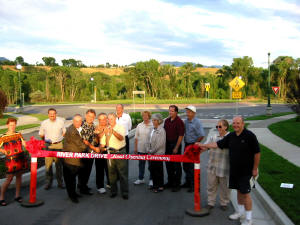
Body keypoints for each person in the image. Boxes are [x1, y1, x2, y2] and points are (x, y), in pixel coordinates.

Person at [197, 116, 260, 225]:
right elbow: (217, 144)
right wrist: (203, 145)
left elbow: (257, 153)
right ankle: (240, 213)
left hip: (246, 171)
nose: (235, 125)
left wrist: (254, 169)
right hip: (234, 170)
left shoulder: (249, 136)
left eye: (238, 123)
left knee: (245, 194)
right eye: (234, 123)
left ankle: (249, 219)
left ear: (243, 124)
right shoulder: (231, 136)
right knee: (239, 192)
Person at [63, 114, 93, 203]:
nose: (78, 123)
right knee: (70, 179)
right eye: (76, 121)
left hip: (77, 158)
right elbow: (81, 144)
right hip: (70, 160)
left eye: (80, 121)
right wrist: (93, 150)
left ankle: (75, 193)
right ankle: (72, 196)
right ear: (73, 121)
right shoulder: (72, 131)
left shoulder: (79, 128)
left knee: (74, 178)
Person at [0, 118, 28, 206]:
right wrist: (3, 151)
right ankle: (1, 197)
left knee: (19, 177)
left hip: (20, 158)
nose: (13, 127)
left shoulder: (18, 134)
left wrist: (32, 145)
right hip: (10, 161)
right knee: (9, 179)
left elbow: (24, 144)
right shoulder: (3, 137)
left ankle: (17, 195)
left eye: (14, 125)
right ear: (7, 125)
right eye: (11, 125)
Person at [204, 119, 231, 211]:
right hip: (212, 166)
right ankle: (210, 202)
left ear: (225, 127)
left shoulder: (230, 137)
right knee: (211, 186)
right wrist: (199, 147)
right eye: (217, 126)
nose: (218, 128)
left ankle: (224, 203)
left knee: (225, 187)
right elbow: (206, 145)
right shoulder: (213, 136)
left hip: (224, 167)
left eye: (220, 126)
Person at [39, 108, 65, 190]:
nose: (52, 115)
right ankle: (48, 183)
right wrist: (46, 142)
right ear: (48, 114)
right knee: (48, 165)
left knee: (59, 165)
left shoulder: (61, 121)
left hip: (58, 145)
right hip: (48, 146)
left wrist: (60, 139)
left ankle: (60, 183)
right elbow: (41, 134)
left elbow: (64, 132)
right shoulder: (44, 123)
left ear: (56, 114)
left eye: (53, 113)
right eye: (50, 114)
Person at [106, 113, 128, 199]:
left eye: (111, 119)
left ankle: (125, 192)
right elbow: (104, 142)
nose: (109, 120)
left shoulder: (120, 127)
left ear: (115, 119)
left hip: (120, 152)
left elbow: (121, 138)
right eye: (108, 119)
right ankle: (113, 191)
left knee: (122, 173)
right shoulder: (107, 128)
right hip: (110, 153)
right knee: (112, 174)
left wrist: (113, 131)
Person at [182, 105, 205, 192]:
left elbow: (202, 134)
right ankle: (187, 182)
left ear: (193, 113)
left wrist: (195, 144)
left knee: (192, 166)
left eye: (189, 112)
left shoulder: (197, 122)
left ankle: (194, 185)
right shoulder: (186, 121)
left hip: (193, 145)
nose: (187, 113)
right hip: (187, 144)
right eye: (187, 112)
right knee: (186, 165)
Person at [164, 105, 184, 192]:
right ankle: (170, 182)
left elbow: (181, 135)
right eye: (169, 111)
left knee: (176, 166)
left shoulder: (179, 121)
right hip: (167, 145)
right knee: (168, 165)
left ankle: (177, 184)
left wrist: (176, 147)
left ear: (176, 112)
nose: (170, 112)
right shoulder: (167, 121)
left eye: (172, 111)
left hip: (176, 145)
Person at [78, 109, 97, 195]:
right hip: (84, 152)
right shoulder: (82, 126)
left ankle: (83, 185)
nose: (90, 118)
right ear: (85, 116)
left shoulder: (93, 125)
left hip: (91, 152)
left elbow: (94, 138)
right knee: (84, 171)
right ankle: (82, 188)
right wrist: (94, 147)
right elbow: (84, 141)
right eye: (89, 116)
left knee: (87, 171)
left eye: (92, 117)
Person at [133, 111, 153, 186]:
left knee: (151, 165)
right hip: (140, 148)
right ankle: (141, 179)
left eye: (146, 115)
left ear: (149, 116)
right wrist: (135, 148)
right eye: (143, 116)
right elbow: (136, 137)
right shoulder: (139, 125)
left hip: (150, 149)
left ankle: (151, 179)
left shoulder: (152, 124)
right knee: (141, 164)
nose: (144, 117)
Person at [148, 113, 166, 193]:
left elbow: (160, 144)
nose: (153, 121)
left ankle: (160, 186)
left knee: (158, 170)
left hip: (158, 153)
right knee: (152, 170)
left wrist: (152, 151)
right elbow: (148, 140)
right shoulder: (152, 129)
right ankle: (155, 185)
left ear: (159, 121)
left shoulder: (161, 130)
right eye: (152, 120)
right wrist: (148, 149)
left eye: (155, 120)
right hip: (151, 154)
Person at [94, 113, 110, 194]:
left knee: (109, 167)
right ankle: (100, 186)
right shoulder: (97, 127)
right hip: (99, 150)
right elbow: (97, 139)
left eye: (103, 119)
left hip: (109, 149)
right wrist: (104, 131)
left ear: (106, 119)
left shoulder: (111, 126)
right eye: (100, 119)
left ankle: (110, 182)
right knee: (99, 169)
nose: (102, 121)